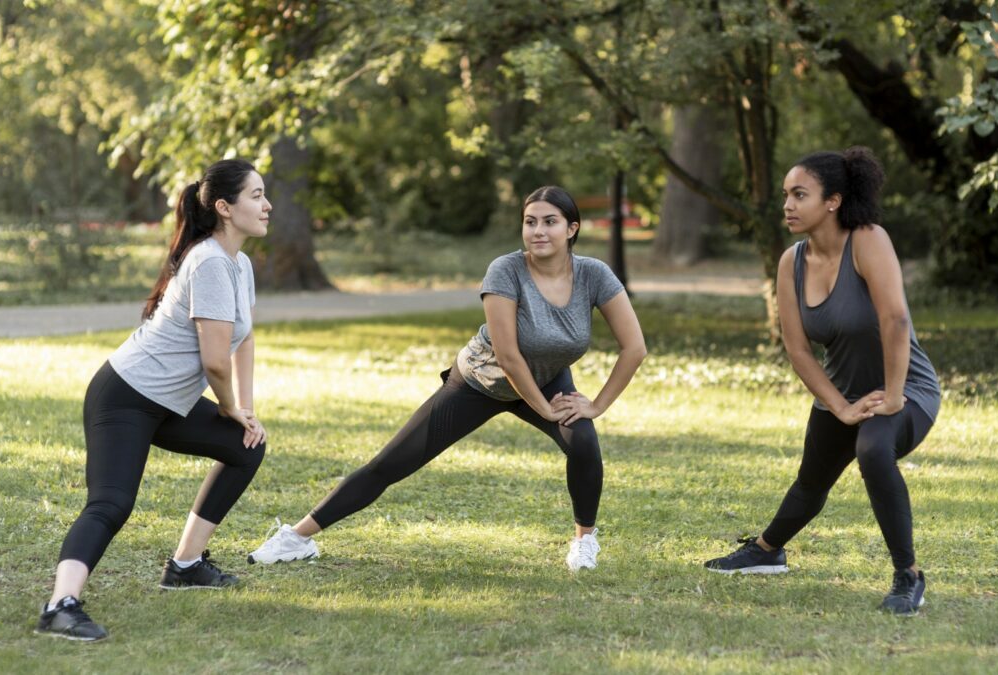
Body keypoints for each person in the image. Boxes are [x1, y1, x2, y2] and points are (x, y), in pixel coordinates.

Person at [249, 185, 646, 571]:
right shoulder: (506, 270)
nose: (538, 231)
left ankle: (584, 541)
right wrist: (544, 408)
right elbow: (508, 355)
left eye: (550, 222)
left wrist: (595, 405)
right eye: (529, 222)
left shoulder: (593, 275)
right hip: (480, 380)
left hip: (546, 378)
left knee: (584, 444)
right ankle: (297, 537)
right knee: (391, 464)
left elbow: (634, 348)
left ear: (572, 229)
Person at [35, 159, 271, 641]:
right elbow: (215, 361)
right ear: (224, 208)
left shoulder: (238, 263)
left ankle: (185, 566)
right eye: (256, 195)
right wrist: (227, 405)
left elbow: (242, 340)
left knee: (246, 445)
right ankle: (60, 605)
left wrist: (245, 409)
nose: (267, 206)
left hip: (167, 402)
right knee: (111, 503)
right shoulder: (207, 262)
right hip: (125, 396)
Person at [704, 147, 940, 617]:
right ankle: (767, 550)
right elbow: (797, 348)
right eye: (786, 195)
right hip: (843, 390)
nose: (787, 205)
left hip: (907, 388)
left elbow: (895, 320)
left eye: (799, 195)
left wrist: (893, 398)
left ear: (832, 201)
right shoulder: (791, 262)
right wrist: (841, 406)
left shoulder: (868, 240)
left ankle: (908, 576)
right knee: (810, 483)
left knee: (873, 450)